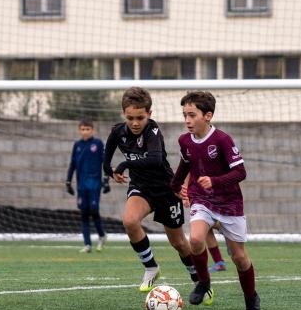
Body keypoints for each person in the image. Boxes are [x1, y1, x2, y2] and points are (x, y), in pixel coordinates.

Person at [171, 91, 260, 310]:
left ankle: (251, 297)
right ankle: (204, 282)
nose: (187, 120)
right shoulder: (184, 141)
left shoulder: (222, 140)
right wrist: (174, 188)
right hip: (201, 198)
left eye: (192, 115)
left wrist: (215, 181)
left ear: (207, 115)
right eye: (185, 115)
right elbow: (184, 167)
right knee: (196, 239)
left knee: (239, 257)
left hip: (229, 203)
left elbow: (241, 172)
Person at [103, 87, 197, 292]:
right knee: (129, 221)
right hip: (141, 188)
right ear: (124, 115)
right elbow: (106, 161)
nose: (135, 123)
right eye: (130, 118)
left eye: (140, 117)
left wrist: (125, 165)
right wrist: (111, 172)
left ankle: (198, 279)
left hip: (165, 189)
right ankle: (151, 268)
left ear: (149, 114)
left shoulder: (153, 131)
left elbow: (154, 160)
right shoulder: (117, 132)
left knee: (179, 243)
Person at [66, 118, 109, 253]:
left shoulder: (97, 143)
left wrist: (106, 179)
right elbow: (72, 164)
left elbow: (105, 162)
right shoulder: (77, 145)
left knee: (94, 211)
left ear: (92, 130)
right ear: (79, 130)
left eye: (88, 129)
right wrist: (68, 181)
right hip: (81, 186)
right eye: (83, 129)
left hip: (95, 184)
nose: (85, 132)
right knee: (84, 213)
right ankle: (88, 244)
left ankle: (101, 235)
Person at [182, 178, 227, 272]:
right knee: (205, 228)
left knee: (204, 224)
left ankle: (227, 228)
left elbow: (188, 172)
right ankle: (219, 262)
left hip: (209, 190)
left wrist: (186, 193)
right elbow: (187, 170)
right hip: (199, 191)